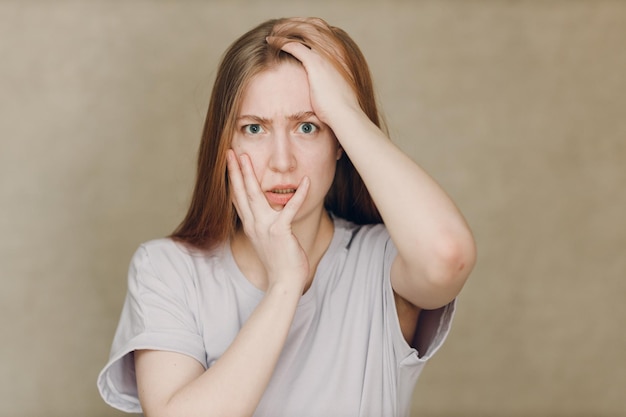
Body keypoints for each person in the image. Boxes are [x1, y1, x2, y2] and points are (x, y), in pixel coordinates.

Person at [97, 16, 476, 417]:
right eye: (255, 128)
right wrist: (285, 284)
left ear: (339, 143)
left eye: (308, 127)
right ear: (225, 139)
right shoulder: (167, 269)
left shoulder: (381, 263)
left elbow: (448, 255)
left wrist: (345, 110)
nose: (282, 162)